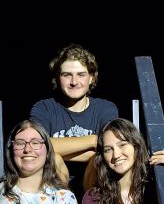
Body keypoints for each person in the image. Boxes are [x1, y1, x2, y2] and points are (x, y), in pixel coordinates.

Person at [30, 43, 118, 192]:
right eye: (67, 75)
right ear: (57, 78)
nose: (74, 82)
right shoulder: (44, 108)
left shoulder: (105, 108)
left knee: (97, 160)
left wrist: (55, 148)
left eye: (81, 74)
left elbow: (109, 149)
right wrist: (93, 140)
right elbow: (35, 147)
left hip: (95, 185)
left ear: (91, 78)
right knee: (54, 159)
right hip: (53, 186)